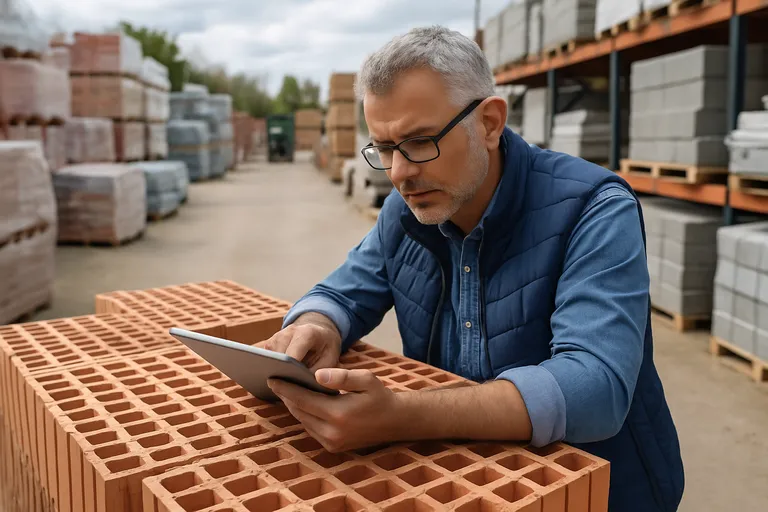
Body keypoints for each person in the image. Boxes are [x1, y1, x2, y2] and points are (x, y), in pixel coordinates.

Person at [262, 26, 684, 512]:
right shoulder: (407, 212)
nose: (399, 173)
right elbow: (342, 292)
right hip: (475, 482)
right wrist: (317, 326)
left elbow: (595, 388)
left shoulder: (594, 208)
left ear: (489, 122)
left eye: (419, 142)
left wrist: (402, 416)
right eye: (383, 148)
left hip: (600, 491)